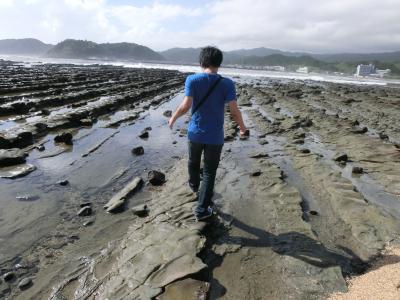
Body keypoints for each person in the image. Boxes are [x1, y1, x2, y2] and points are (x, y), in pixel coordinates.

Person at [168, 46, 247, 221]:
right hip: (214, 137)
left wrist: (173, 117)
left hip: (195, 133)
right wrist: (242, 127)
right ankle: (202, 210)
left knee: (193, 161)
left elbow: (186, 105)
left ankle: (194, 185)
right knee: (210, 172)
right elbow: (234, 111)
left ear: (201, 61)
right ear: (219, 63)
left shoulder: (192, 79)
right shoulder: (227, 83)